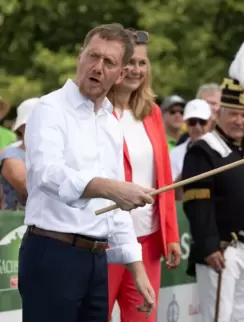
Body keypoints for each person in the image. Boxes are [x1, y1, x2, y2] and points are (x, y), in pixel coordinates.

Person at [19, 23, 155, 322]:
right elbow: (47, 173)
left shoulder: (110, 124)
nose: (97, 66)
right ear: (80, 57)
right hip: (52, 253)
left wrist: (136, 266)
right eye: (93, 56)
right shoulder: (49, 108)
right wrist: (109, 187)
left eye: (109, 62)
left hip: (96, 260)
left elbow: (117, 208)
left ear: (120, 74)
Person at [181, 36, 244, 322]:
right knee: (219, 318)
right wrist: (209, 244)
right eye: (234, 114)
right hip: (223, 249)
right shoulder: (205, 148)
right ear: (219, 113)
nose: (240, 121)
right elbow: (197, 202)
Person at [106, 28, 181, 322]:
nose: (136, 70)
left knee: (143, 318)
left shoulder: (152, 112)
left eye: (142, 63)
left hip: (147, 241)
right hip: (107, 240)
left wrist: (171, 235)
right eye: (130, 62)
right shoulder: (97, 111)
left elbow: (164, 178)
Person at [0, 97, 39, 210]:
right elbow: (29, 190)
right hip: (17, 223)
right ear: (22, 128)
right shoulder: (11, 156)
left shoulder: (58, 153)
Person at [170, 98, 212, 182]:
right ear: (186, 123)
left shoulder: (222, 151)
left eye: (202, 121)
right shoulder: (175, 153)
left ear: (210, 122)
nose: (197, 126)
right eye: (192, 122)